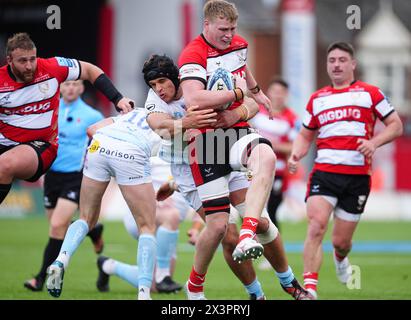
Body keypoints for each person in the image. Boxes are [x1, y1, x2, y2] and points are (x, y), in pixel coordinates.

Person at [143, 54, 313, 300]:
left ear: (176, 77)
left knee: (261, 223)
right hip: (186, 167)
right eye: (153, 85)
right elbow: (158, 125)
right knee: (226, 232)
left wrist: (237, 112)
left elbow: (253, 103)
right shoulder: (155, 99)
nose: (158, 89)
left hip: (217, 151)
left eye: (161, 81)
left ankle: (290, 283)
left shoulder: (202, 79)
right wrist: (187, 123)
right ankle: (254, 294)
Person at [178, 0, 278, 298]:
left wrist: (257, 93)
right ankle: (195, 285)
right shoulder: (192, 55)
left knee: (266, 158)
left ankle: (283, 275)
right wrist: (239, 94)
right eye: (223, 29)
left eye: (232, 28)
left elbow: (243, 68)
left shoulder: (239, 44)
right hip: (205, 142)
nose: (229, 34)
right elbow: (194, 99)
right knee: (220, 227)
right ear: (206, 25)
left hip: (236, 134)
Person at [288, 42, 403, 299]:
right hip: (324, 173)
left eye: (342, 60)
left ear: (353, 64)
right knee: (316, 226)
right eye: (332, 61)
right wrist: (296, 154)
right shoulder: (317, 99)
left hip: (357, 178)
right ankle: (310, 290)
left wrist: (374, 143)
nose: (336, 65)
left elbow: (395, 125)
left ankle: (341, 258)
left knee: (341, 241)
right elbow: (305, 135)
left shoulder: (370, 94)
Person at [0, 33, 133, 208]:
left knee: (5, 164)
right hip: (4, 144)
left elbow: (90, 70)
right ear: (9, 60)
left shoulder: (52, 67)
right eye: (22, 61)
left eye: (32, 59)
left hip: (41, 146)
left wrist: (117, 98)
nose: (29, 66)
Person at [46, 107, 158, 300]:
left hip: (100, 146)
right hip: (131, 151)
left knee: (86, 218)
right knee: (146, 227)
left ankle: (60, 260)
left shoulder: (130, 114)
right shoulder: (170, 119)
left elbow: (91, 129)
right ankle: (144, 294)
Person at [24, 80, 104, 292]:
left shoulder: (93, 116)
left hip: (76, 177)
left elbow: (105, 141)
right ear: (59, 88)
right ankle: (94, 230)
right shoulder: (49, 111)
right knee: (57, 226)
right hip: (51, 175)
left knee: (58, 225)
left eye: (75, 84)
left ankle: (43, 278)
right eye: (66, 84)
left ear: (81, 88)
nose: (70, 88)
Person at [250, 78, 299, 231]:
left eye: (281, 93)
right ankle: (251, 241)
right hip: (252, 167)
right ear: (268, 93)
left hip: (276, 170)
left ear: (286, 95)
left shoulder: (292, 118)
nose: (278, 96)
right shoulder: (257, 111)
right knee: (247, 207)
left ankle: (273, 249)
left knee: (271, 210)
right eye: (275, 92)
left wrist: (270, 144)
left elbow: (295, 147)